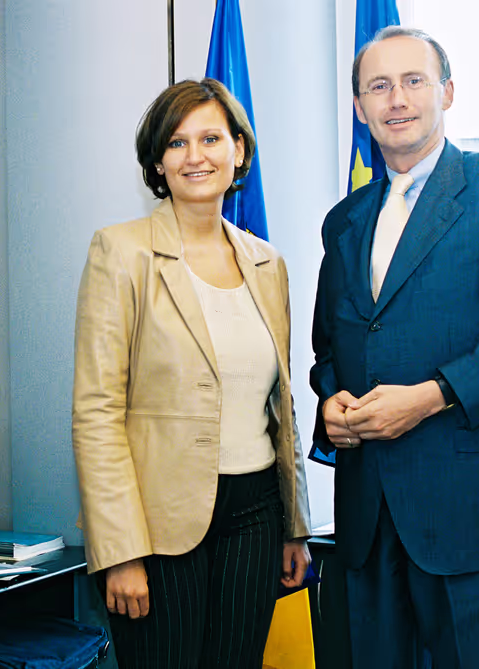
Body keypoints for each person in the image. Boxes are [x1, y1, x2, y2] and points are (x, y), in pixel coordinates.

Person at [309, 27, 479, 668]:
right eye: (378, 85)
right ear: (358, 106)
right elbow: (328, 352)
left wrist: (430, 398)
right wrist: (330, 407)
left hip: (472, 518)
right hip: (368, 523)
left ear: (447, 92)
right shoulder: (344, 220)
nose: (395, 99)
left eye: (412, 81)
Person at [72, 78, 312, 669]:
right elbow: (96, 412)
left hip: (255, 515)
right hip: (156, 526)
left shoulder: (267, 263)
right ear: (158, 161)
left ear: (239, 150)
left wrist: (294, 525)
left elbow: (278, 408)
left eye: (210, 138)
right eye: (177, 144)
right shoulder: (120, 252)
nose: (195, 156)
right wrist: (119, 552)